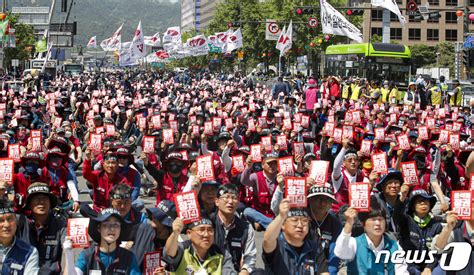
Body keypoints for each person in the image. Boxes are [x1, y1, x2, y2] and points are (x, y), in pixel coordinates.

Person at [334, 199, 409, 274]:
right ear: (363, 224)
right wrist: (349, 223)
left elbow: (402, 271)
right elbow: (340, 252)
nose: (377, 223)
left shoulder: (395, 246)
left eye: (380, 219)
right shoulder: (355, 243)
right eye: (373, 219)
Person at [64, 208, 141, 275]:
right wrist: (69, 254)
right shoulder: (87, 255)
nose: (112, 229)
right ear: (98, 228)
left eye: (116, 225)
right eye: (106, 224)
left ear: (121, 229)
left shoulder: (128, 257)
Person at [263, 199, 329, 275]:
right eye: (294, 220)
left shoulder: (315, 248)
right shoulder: (276, 245)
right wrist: (281, 216)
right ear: (283, 225)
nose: (300, 225)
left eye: (304, 221)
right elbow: (267, 239)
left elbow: (324, 272)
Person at [16, 182, 66, 275]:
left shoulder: (61, 224)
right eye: (36, 199)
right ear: (29, 204)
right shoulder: (20, 222)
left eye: (44, 199)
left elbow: (68, 248)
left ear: (50, 203)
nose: (41, 202)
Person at [393, 187, 443, 274]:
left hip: (429, 264)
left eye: (426, 201)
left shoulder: (436, 224)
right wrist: (402, 198)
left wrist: (429, 268)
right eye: (419, 201)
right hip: (408, 264)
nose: (423, 203)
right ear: (412, 206)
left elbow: (437, 250)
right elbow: (397, 215)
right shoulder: (406, 220)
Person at [163, 217, 237, 274]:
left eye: (210, 230)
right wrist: (175, 232)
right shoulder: (183, 249)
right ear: (189, 233)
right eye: (201, 230)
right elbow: (169, 252)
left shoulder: (221, 253)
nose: (206, 234)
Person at [212, 184, 257, 274]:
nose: (230, 201)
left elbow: (250, 257)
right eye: (226, 197)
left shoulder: (246, 227)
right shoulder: (209, 224)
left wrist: (244, 270)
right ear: (217, 201)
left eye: (234, 198)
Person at [240, 152, 280, 230]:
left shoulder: (281, 177)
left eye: (274, 163)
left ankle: (264, 224)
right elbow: (244, 181)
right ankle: (273, 226)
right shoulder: (256, 176)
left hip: (276, 214)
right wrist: (248, 167)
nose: (272, 166)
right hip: (260, 213)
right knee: (247, 211)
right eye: (269, 164)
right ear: (262, 165)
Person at [0, 197, 40, 274]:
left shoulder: (29, 252)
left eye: (10, 219)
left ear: (16, 220)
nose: (7, 225)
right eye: (1, 220)